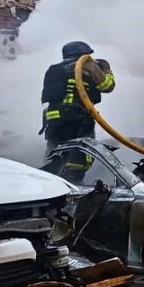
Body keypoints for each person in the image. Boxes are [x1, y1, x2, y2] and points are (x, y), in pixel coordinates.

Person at [41, 41, 115, 182]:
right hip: (78, 118)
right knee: (82, 153)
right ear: (83, 55)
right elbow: (107, 86)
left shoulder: (53, 69)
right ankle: (73, 185)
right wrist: (106, 70)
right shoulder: (87, 66)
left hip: (53, 119)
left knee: (54, 152)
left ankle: (49, 182)